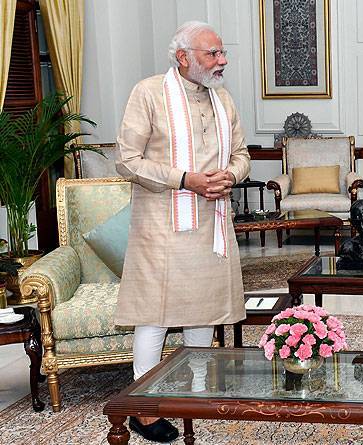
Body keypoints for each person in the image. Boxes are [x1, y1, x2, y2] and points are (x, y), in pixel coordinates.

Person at [114, 21, 250, 443]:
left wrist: (230, 175)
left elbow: (242, 154)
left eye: (222, 52)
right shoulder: (149, 93)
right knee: (154, 313)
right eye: (213, 53)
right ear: (183, 57)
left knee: (203, 307)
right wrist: (185, 179)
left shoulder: (222, 98)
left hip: (212, 220)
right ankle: (143, 409)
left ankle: (195, 393)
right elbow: (127, 160)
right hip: (162, 223)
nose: (222, 60)